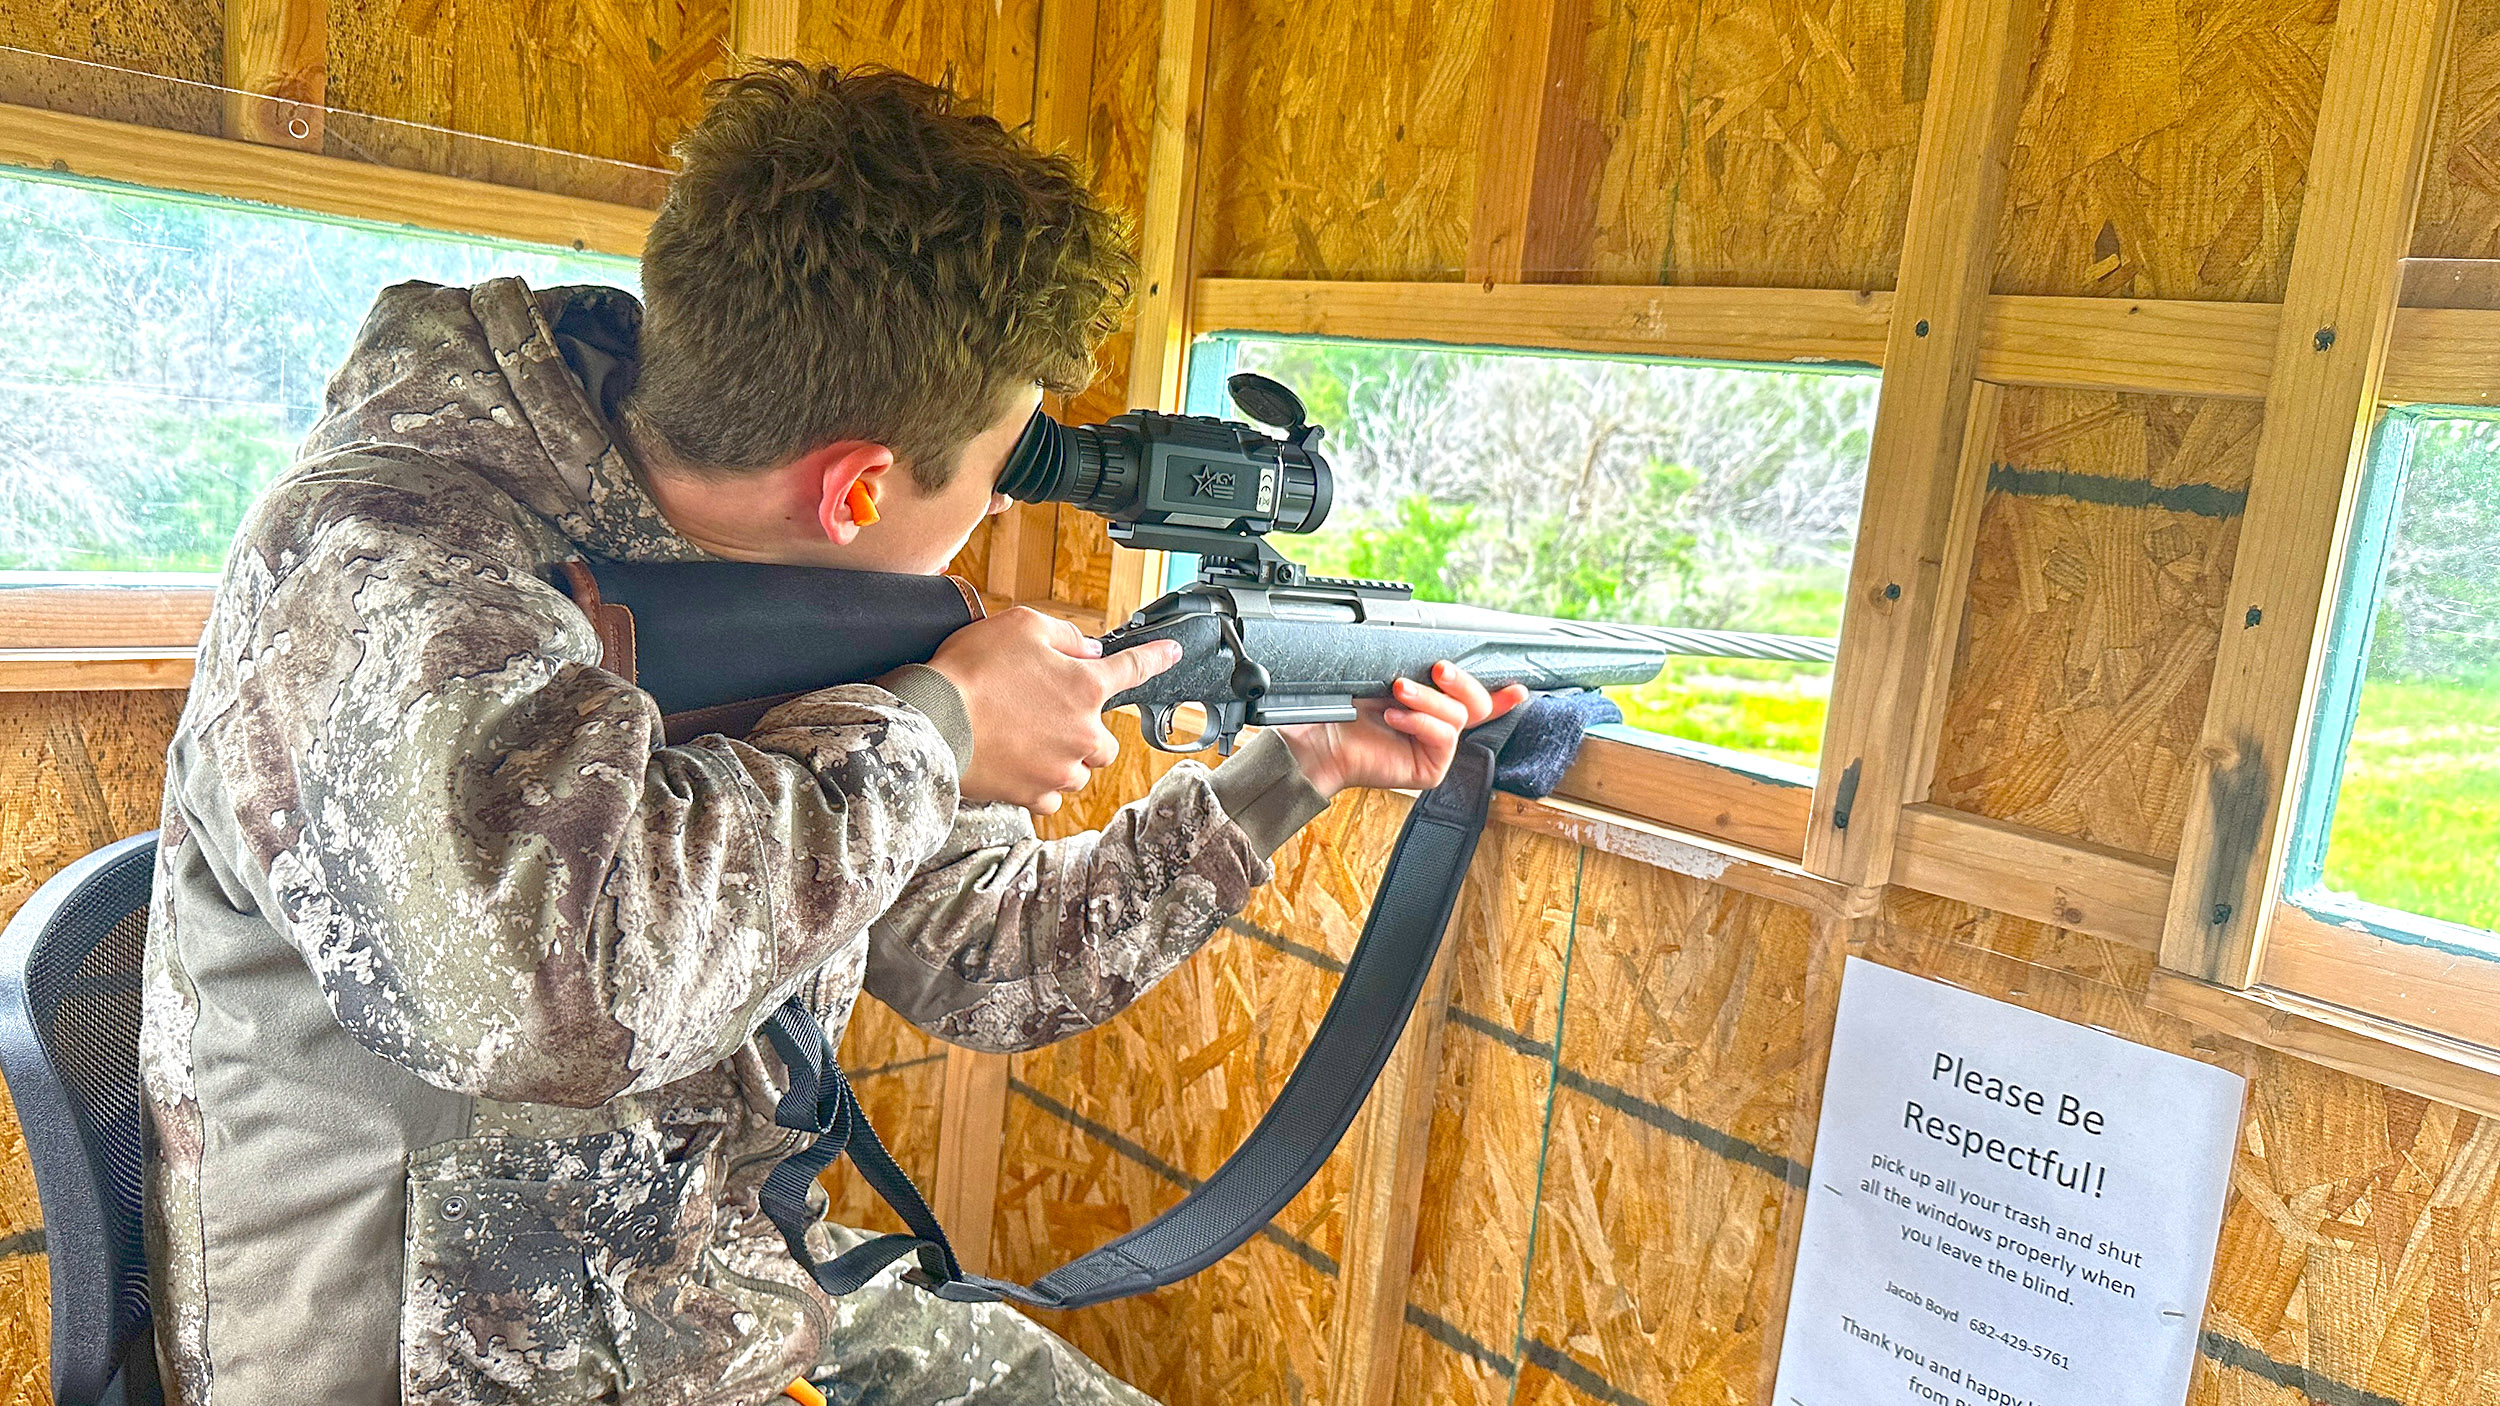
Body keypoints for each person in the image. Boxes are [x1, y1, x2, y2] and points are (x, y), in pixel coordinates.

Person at [138, 61, 1522, 1406]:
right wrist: (936, 732)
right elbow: (542, 1000)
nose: (999, 508)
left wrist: (1288, 773)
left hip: (702, 1292)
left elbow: (986, 963)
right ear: (856, 488)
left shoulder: (811, 604)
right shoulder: (381, 570)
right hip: (441, 1358)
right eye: (999, 471)